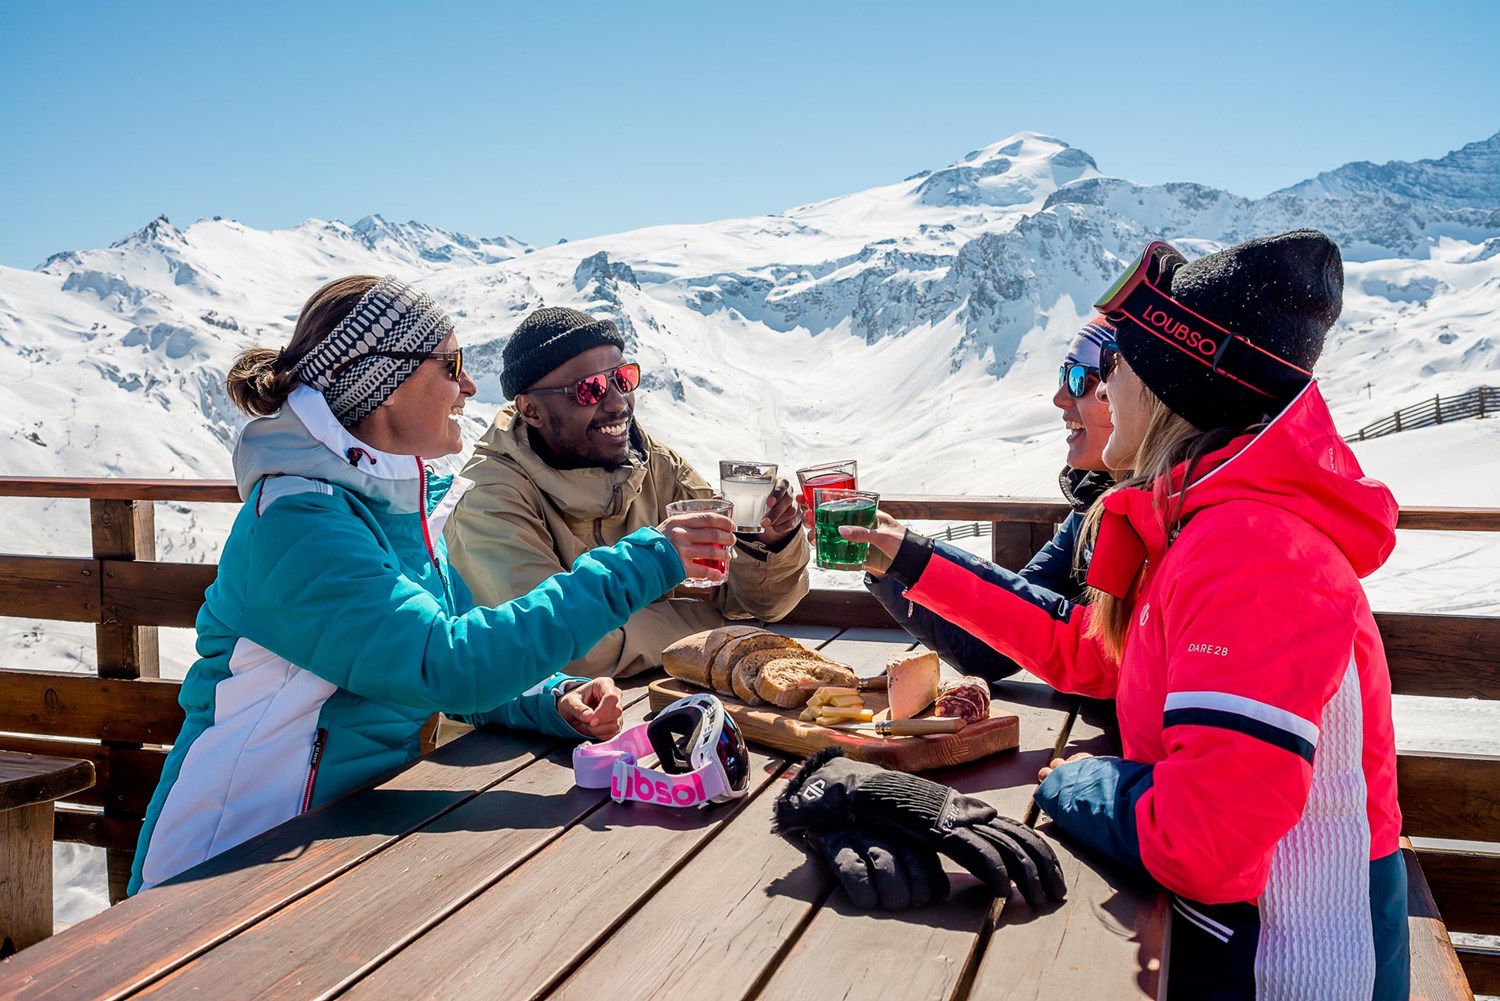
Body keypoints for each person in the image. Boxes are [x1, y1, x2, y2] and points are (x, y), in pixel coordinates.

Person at [841, 232, 1407, 999]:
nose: (1100, 389)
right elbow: (1093, 652)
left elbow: (1203, 841)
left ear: (1174, 383)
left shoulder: (1251, 551)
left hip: (1296, 962)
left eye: (1114, 365)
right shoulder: (1205, 525)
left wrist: (1084, 785)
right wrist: (908, 557)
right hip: (1236, 936)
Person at [130, 276, 732, 894]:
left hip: (338, 840)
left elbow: (453, 652)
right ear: (384, 384)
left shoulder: (392, 503)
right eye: (452, 365)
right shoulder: (298, 526)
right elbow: (442, 665)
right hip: (226, 859)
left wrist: (548, 699)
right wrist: (647, 560)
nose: (470, 387)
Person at [446, 306, 810, 678]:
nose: (618, 403)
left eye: (622, 378)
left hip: (639, 707)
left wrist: (770, 545)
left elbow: (758, 606)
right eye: (590, 390)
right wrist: (710, 624)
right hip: (508, 733)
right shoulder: (489, 497)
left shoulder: (655, 465)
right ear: (531, 410)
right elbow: (569, 651)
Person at [863, 318, 1117, 680]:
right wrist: (890, 567)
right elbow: (989, 648)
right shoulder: (1093, 508)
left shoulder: (1181, 522)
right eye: (1063, 375)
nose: (1060, 397)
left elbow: (1102, 656)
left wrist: (912, 556)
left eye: (1080, 380)